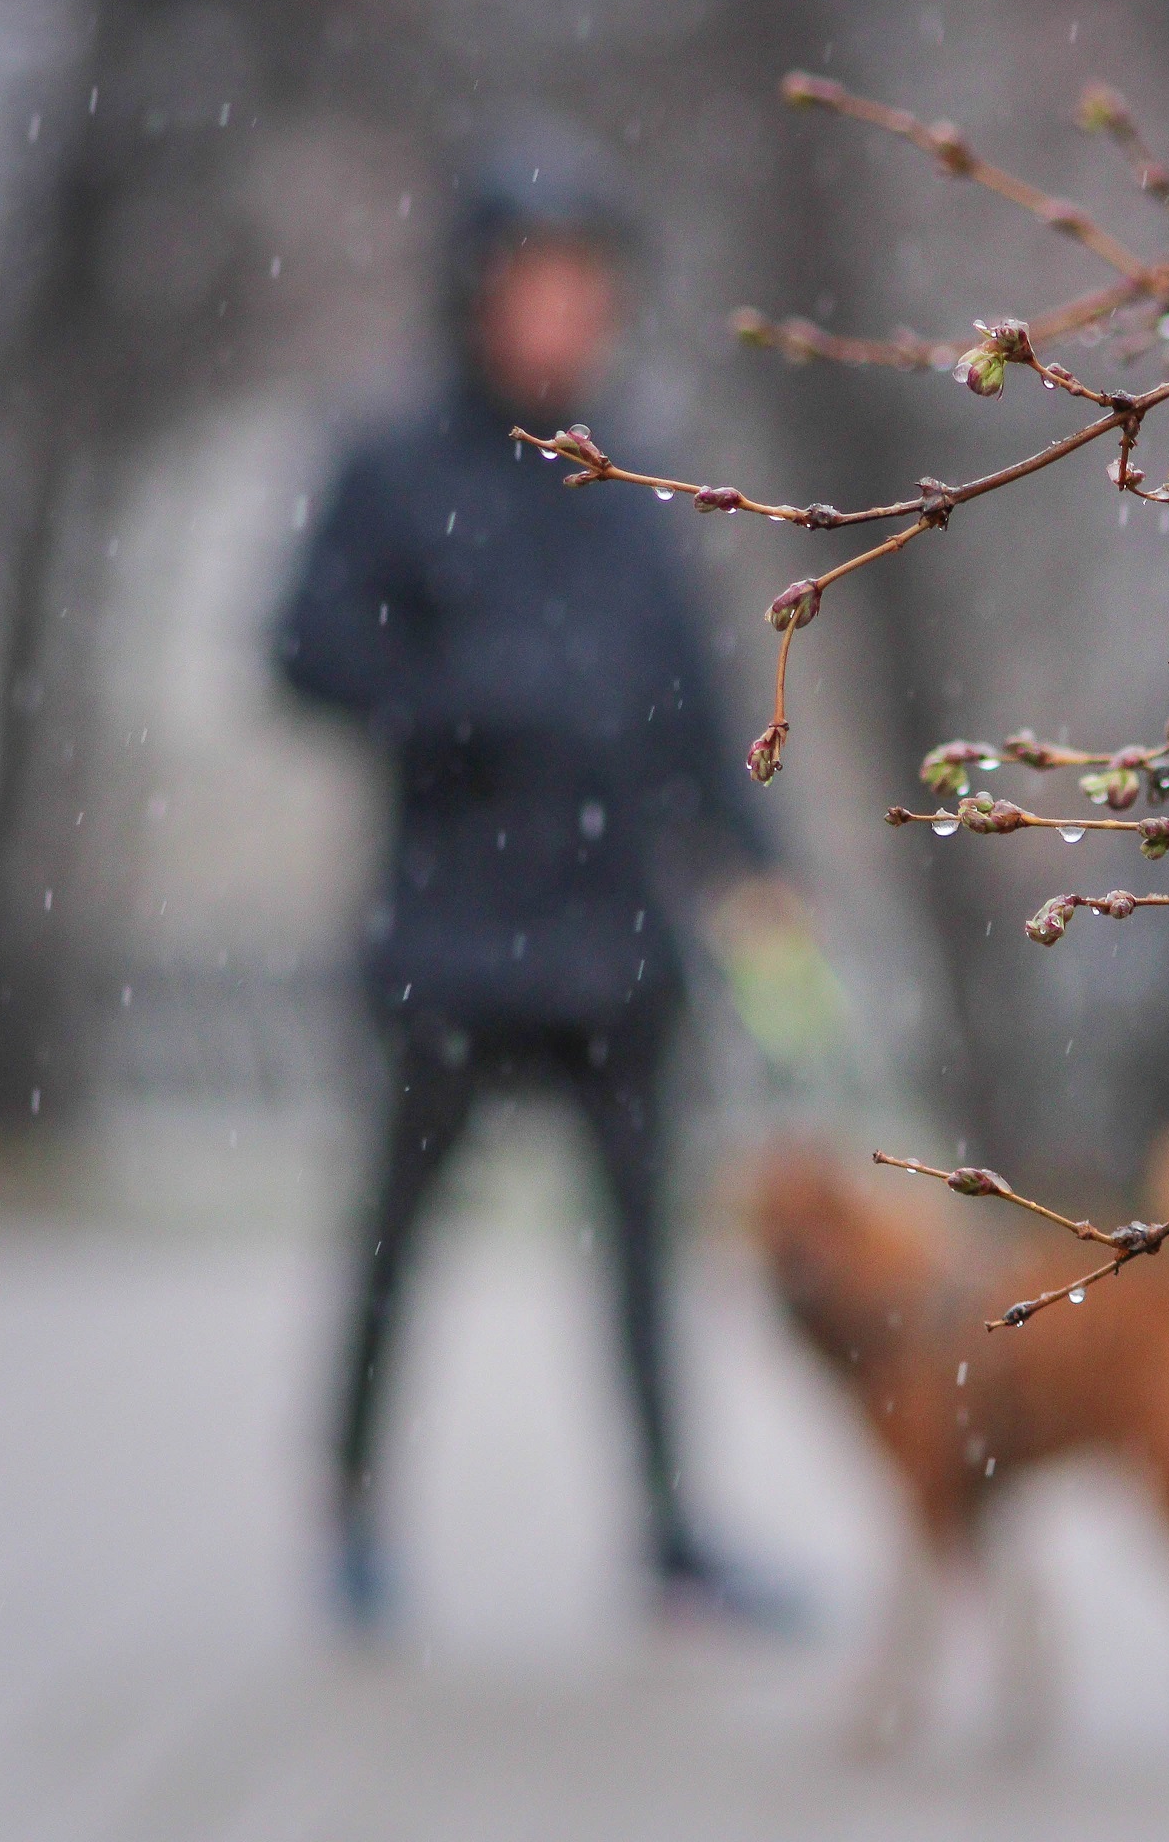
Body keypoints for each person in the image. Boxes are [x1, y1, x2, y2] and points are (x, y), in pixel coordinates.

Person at [276, 121, 787, 1631]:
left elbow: (695, 707)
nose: (567, 312)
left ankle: (673, 1535)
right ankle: (356, 1517)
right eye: (538, 282)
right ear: (476, 295)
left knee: (644, 1251)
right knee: (394, 1240)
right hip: (449, 934)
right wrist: (458, 698)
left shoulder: (630, 474)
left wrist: (760, 868)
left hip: (620, 938)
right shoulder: (386, 466)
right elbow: (301, 652)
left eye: (588, 284)